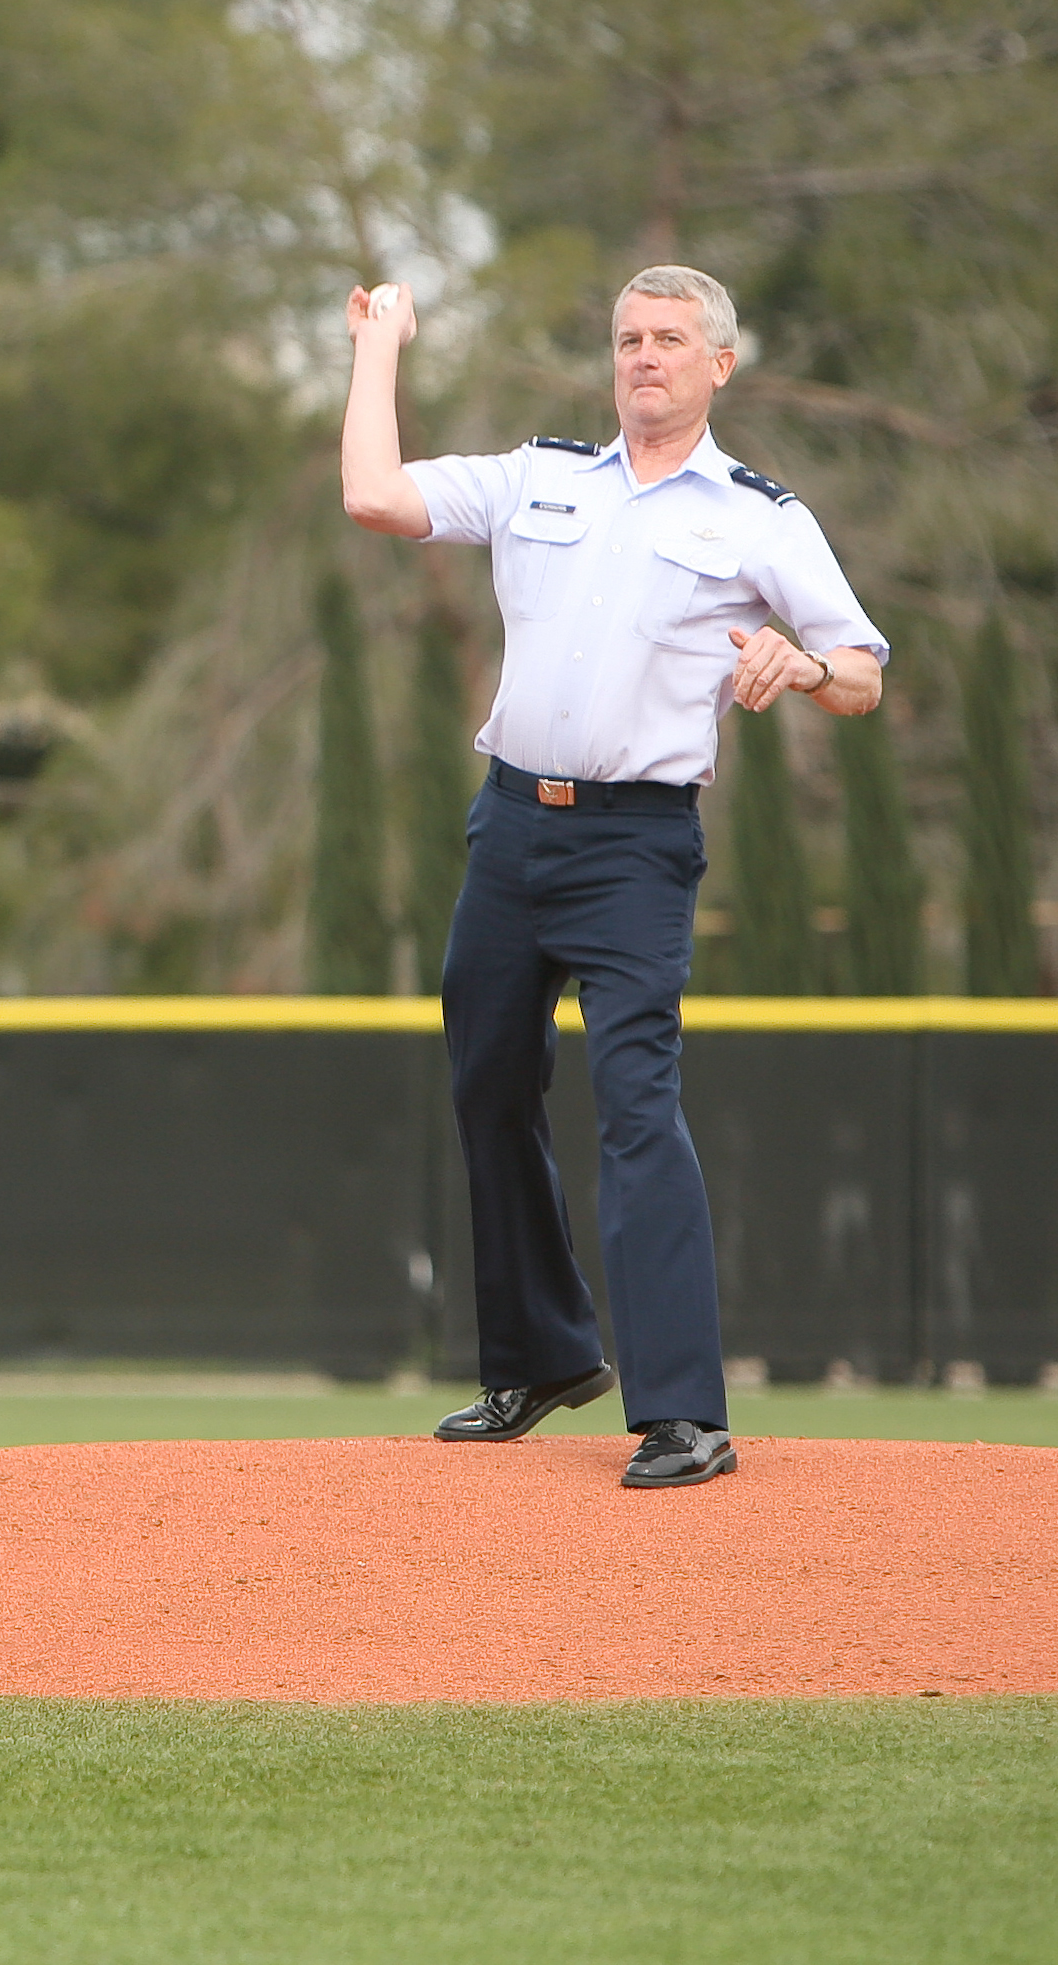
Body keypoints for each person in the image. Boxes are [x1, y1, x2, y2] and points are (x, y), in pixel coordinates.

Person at [338, 269, 888, 1488]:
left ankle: (685, 1411)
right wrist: (380, 342)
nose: (645, 356)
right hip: (512, 827)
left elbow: (863, 672)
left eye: (672, 339)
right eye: (630, 338)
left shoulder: (757, 515)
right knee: (486, 1079)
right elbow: (374, 495)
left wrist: (800, 665)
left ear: (720, 365)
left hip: (635, 845)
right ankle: (539, 1357)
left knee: (637, 1103)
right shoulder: (543, 477)